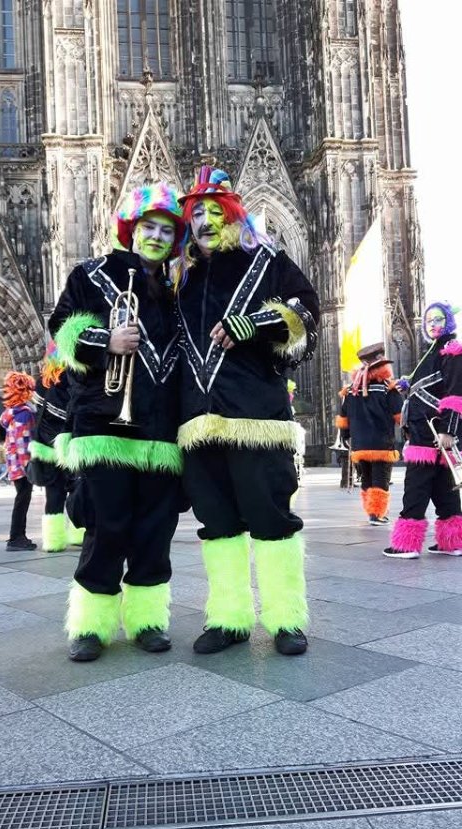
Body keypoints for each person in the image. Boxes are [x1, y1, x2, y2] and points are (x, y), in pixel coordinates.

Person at [175, 166, 319, 655]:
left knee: (271, 517)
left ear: (233, 216)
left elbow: (308, 309)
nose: (205, 222)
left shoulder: (266, 261)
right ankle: (229, 618)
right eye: (197, 214)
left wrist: (256, 323)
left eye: (215, 212)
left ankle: (286, 619)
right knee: (217, 523)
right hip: (198, 424)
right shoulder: (183, 277)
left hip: (257, 416)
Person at [49, 182, 186, 661]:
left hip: (160, 431)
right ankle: (91, 625)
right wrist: (104, 340)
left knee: (155, 529)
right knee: (107, 524)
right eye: (149, 227)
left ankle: (147, 619)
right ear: (131, 229)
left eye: (166, 231)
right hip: (105, 424)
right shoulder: (91, 274)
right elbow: (61, 328)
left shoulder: (175, 288)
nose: (156, 237)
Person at [384, 302, 462, 557]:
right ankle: (453, 542)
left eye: (438, 319)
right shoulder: (436, 350)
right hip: (430, 430)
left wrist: (449, 431)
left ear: (448, 321)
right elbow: (434, 383)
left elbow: (455, 394)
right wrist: (409, 384)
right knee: (443, 487)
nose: (432, 325)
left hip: (431, 432)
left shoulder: (452, 350)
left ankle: (406, 544)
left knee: (416, 486)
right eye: (428, 321)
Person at [336, 343, 403, 524]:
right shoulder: (387, 389)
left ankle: (371, 512)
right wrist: (410, 432)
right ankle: (377, 514)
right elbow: (400, 415)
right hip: (381, 444)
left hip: (359, 445)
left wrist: (346, 437)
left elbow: (343, 418)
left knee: (366, 477)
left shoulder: (351, 390)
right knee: (381, 479)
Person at [29, 341, 85, 552]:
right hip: (68, 445)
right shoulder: (72, 380)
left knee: (53, 495)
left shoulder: (42, 383)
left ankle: (53, 541)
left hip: (46, 447)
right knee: (77, 489)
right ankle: (78, 533)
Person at [0, 371, 37, 551]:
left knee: (22, 498)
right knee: (22, 499)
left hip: (14, 464)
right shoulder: (23, 414)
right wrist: (28, 466)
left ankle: (19, 536)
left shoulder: (11, 414)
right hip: (22, 465)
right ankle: (16, 538)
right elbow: (22, 442)